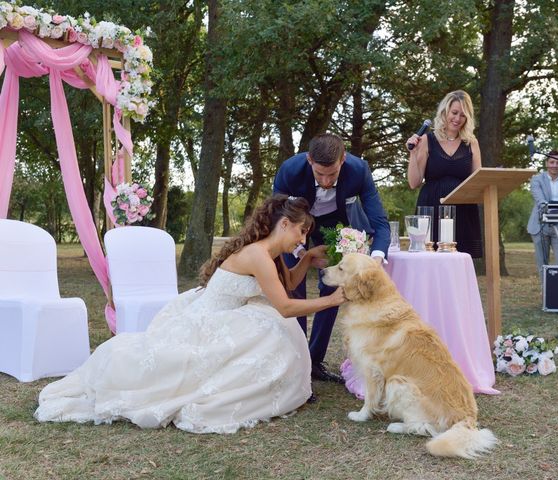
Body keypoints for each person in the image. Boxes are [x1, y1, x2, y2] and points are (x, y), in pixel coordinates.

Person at [35, 195, 346, 433]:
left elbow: (287, 284)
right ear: (285, 224)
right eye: (301, 232)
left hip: (225, 313)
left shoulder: (269, 253)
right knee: (272, 327)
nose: (302, 239)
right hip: (209, 320)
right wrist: (332, 300)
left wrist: (306, 260)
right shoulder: (258, 255)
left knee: (275, 328)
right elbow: (285, 305)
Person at [274, 133, 391, 385]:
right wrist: (300, 252)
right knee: (294, 288)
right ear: (309, 161)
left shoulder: (359, 170)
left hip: (338, 227)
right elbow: (276, 217)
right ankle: (296, 362)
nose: (326, 182)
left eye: (333, 174)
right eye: (319, 174)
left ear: (343, 159)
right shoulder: (290, 171)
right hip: (297, 225)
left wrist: (377, 258)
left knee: (334, 288)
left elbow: (380, 222)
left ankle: (314, 360)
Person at [406, 90, 483, 257]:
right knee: (429, 261)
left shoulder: (471, 143)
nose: (457, 119)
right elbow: (413, 182)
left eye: (463, 115)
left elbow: (478, 182)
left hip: (463, 210)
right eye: (454, 113)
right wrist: (412, 153)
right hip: (431, 208)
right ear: (445, 112)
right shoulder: (427, 140)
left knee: (460, 262)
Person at [526, 150, 558, 277]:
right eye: (552, 162)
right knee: (543, 263)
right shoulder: (537, 179)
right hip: (540, 225)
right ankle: (546, 292)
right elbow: (540, 199)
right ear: (547, 163)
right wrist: (547, 206)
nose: (555, 165)